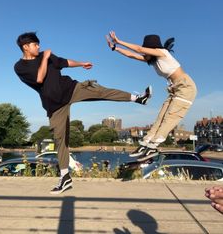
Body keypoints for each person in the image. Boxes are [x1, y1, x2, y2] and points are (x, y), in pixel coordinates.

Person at [14, 32, 152, 194]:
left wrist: (81, 64)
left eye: (38, 44)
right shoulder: (20, 67)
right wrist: (44, 59)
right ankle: (65, 178)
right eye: (35, 45)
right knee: (60, 139)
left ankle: (138, 98)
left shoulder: (48, 56)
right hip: (54, 104)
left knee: (100, 91)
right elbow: (39, 78)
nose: (39, 47)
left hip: (71, 89)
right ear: (26, 47)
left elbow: (65, 62)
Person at [106, 31, 197, 160]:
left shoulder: (162, 53)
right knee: (161, 116)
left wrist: (119, 41)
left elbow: (137, 49)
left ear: (152, 49)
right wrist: (115, 48)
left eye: (146, 51)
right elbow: (132, 55)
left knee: (170, 117)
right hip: (174, 89)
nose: (143, 53)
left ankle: (154, 146)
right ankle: (147, 142)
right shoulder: (153, 60)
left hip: (186, 87)